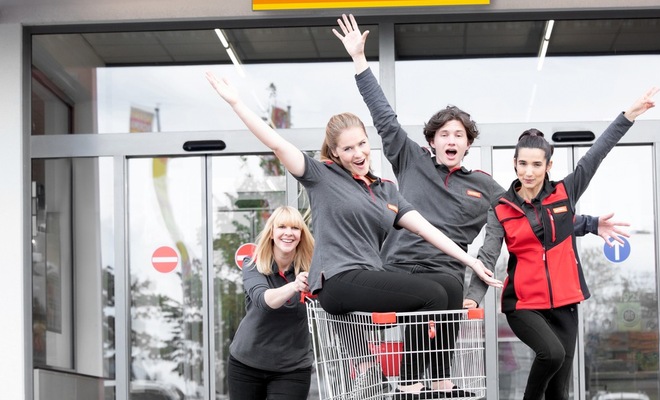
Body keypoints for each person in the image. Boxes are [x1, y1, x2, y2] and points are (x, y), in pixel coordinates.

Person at [333, 14, 631, 397]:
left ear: (468, 144)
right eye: (444, 134)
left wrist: (588, 224)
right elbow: (384, 118)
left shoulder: (484, 186)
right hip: (398, 268)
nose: (451, 139)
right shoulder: (411, 160)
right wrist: (360, 60)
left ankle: (435, 382)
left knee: (444, 293)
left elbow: (530, 214)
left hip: (445, 272)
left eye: (459, 134)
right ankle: (404, 380)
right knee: (407, 303)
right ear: (432, 141)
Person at [206, 71, 502, 400]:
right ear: (335, 154)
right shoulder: (321, 177)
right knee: (432, 295)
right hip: (337, 281)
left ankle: (427, 381)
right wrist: (236, 103)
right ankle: (408, 387)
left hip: (367, 279)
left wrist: (470, 262)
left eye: (362, 144)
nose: (358, 153)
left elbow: (426, 229)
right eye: (348, 149)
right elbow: (276, 143)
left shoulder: (384, 190)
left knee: (448, 288)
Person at [477, 87, 659, 400]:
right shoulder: (502, 208)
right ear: (514, 163)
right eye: (523, 164)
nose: (529, 172)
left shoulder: (565, 193)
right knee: (552, 354)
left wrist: (628, 116)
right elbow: (487, 254)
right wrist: (472, 297)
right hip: (523, 304)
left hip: (565, 304)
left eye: (537, 165)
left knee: (559, 390)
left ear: (548, 166)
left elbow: (596, 154)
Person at [227, 206, 314, 400]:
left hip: (293, 368)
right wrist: (295, 285)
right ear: (271, 233)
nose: (288, 233)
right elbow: (264, 300)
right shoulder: (253, 264)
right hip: (246, 364)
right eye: (282, 227)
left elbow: (333, 305)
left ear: (301, 235)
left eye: (295, 228)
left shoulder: (311, 269)